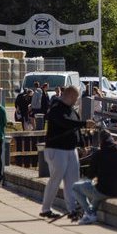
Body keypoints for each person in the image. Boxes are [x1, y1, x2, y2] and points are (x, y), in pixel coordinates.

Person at [40, 86, 95, 218]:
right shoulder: (56, 109)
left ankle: (72, 209)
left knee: (73, 181)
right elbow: (65, 123)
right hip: (56, 149)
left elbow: (75, 128)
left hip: (71, 149)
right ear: (70, 96)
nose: (76, 101)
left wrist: (82, 144)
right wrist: (84, 124)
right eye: (75, 98)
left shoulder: (72, 111)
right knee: (56, 179)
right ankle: (46, 209)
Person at [72, 129, 117, 225]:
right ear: (113, 139)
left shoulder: (98, 154)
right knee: (98, 195)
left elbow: (90, 175)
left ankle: (89, 213)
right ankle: (90, 213)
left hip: (104, 190)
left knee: (75, 187)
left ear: (101, 141)